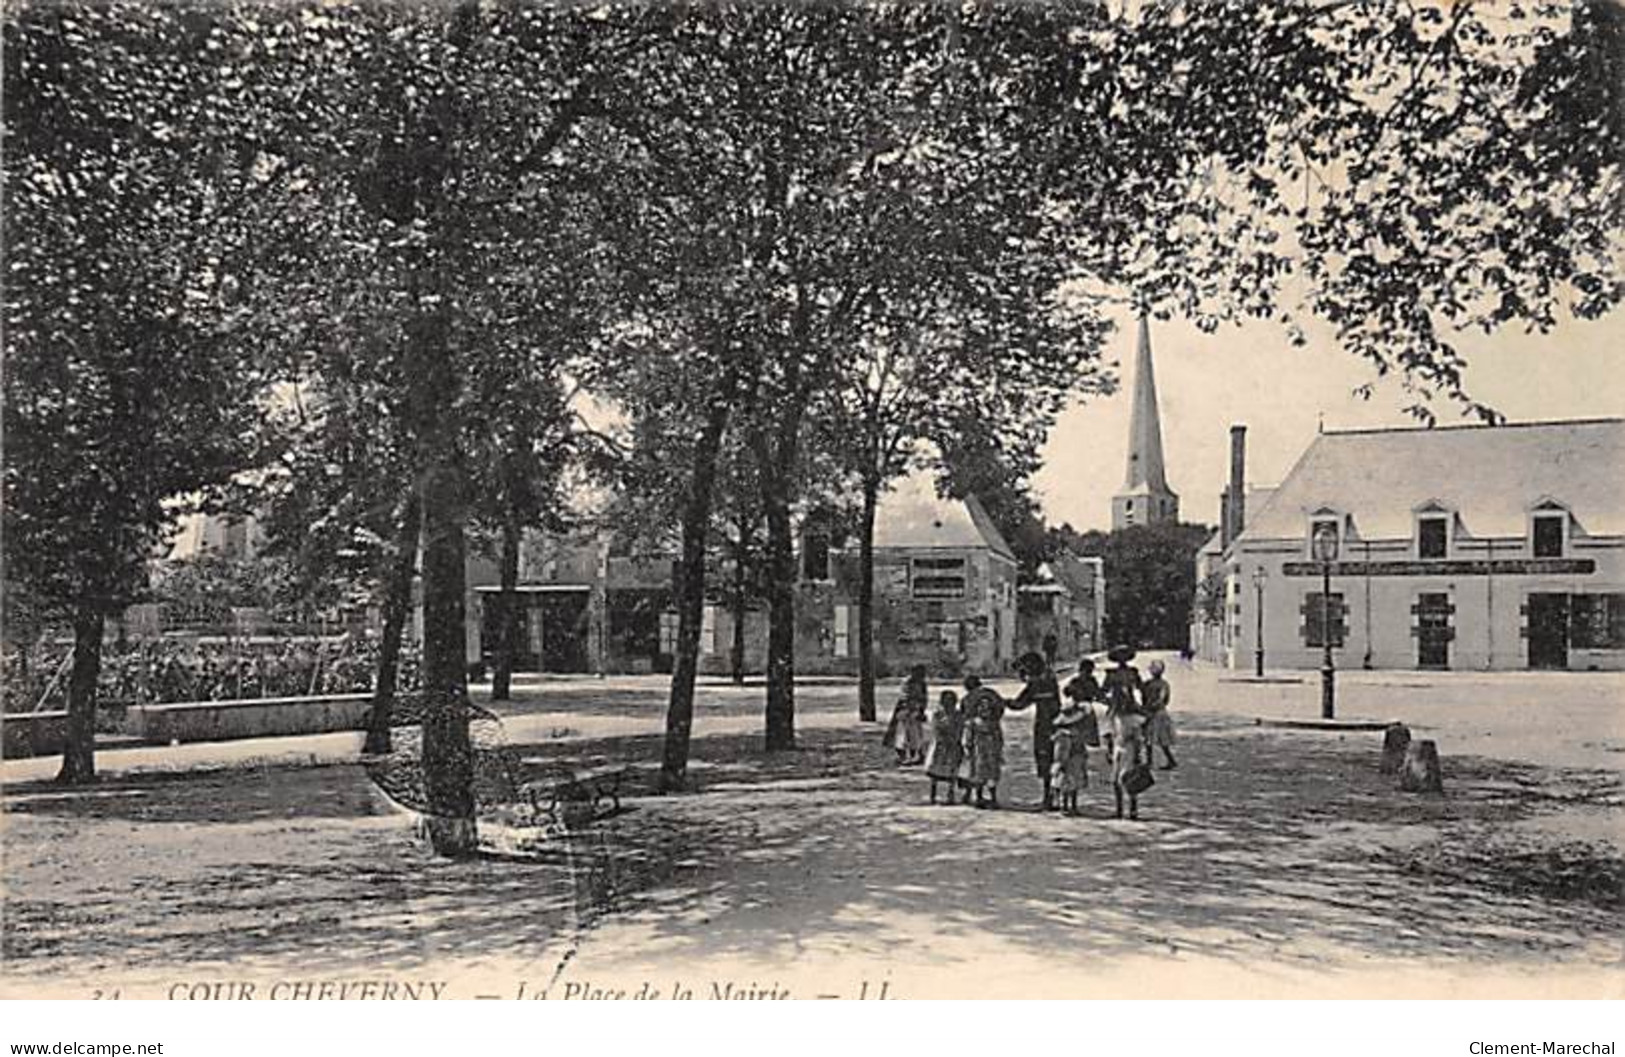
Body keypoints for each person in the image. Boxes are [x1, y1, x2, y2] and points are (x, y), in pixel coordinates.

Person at [1006, 651, 1062, 810]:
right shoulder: (1048, 677)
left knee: (1046, 760)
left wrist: (1004, 702)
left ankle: (1048, 798)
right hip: (1052, 722)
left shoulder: (1039, 682)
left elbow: (1020, 703)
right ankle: (1052, 797)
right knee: (1053, 760)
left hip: (1046, 724)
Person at [1103, 644, 1147, 820]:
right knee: (1118, 775)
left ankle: (1128, 808)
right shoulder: (1115, 674)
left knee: (1127, 774)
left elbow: (1140, 689)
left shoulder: (1124, 674)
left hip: (1124, 720)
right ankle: (1123, 809)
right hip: (1119, 717)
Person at [960, 674, 1007, 808]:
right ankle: (983, 797)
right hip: (980, 749)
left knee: (984, 772)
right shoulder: (990, 695)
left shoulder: (968, 701)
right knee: (983, 773)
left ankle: (986, 797)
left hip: (984, 749)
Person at [1050, 699, 1091, 816]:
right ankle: (1067, 805)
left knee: (1070, 783)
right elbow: (1060, 751)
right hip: (1069, 760)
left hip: (1074, 758)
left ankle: (1070, 805)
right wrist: (1060, 762)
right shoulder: (1064, 735)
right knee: (1068, 783)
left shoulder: (1065, 734)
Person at [883, 664, 929, 766]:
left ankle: (916, 755)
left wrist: (921, 710)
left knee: (916, 734)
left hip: (916, 711)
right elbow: (905, 697)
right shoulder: (908, 682)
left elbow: (924, 698)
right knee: (902, 735)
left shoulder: (922, 683)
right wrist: (910, 708)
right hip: (906, 710)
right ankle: (903, 756)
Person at [924, 690, 964, 805]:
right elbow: (935, 728)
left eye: (951, 701)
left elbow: (960, 728)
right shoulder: (937, 714)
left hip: (953, 744)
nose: (949, 703)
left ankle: (950, 794)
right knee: (935, 770)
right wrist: (942, 737)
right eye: (946, 701)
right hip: (940, 744)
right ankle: (933, 795)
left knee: (952, 769)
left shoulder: (958, 715)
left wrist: (955, 738)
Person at [1142, 659, 1178, 770]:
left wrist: (1149, 707)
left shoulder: (1149, 684)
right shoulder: (1163, 684)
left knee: (1152, 739)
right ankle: (1166, 760)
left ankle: (1152, 761)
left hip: (1155, 713)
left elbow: (1158, 699)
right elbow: (1164, 700)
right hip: (1158, 712)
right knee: (1155, 739)